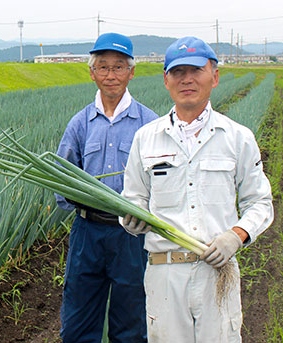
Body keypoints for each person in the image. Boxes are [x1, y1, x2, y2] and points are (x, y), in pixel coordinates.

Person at [121, 36, 274, 342]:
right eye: (178, 72)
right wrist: (131, 219)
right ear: (166, 80)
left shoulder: (237, 138)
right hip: (165, 273)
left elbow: (260, 203)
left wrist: (237, 235)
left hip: (217, 270)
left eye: (196, 70)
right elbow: (133, 198)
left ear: (214, 77)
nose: (187, 79)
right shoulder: (146, 138)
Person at [55, 32, 159, 343]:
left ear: (131, 72)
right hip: (88, 233)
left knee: (131, 320)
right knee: (77, 321)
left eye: (118, 67)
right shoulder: (80, 123)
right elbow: (62, 178)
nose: (110, 75)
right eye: (103, 67)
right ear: (92, 73)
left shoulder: (149, 124)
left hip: (131, 235)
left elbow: (161, 183)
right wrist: (82, 200)